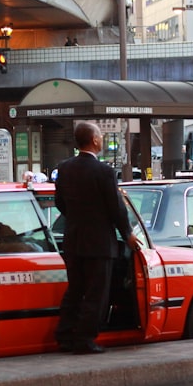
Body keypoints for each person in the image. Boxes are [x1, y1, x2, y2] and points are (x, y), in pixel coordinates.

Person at [54, 121, 139, 355]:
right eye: (100, 136)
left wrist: (76, 218)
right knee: (96, 293)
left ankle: (64, 336)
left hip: (73, 240)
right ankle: (84, 340)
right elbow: (116, 208)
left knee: (75, 290)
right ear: (94, 140)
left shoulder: (65, 168)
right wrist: (128, 234)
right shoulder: (104, 172)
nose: (101, 139)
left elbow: (59, 203)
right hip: (100, 243)